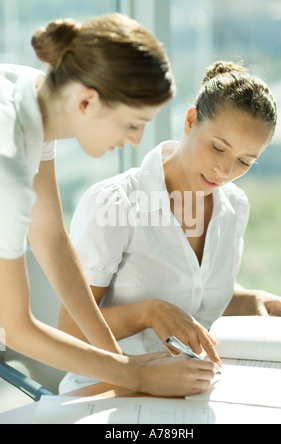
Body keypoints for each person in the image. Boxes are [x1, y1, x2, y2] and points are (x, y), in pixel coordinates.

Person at [0, 13, 218, 398]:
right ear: (87, 101)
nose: (136, 141)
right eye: (132, 124)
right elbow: (16, 327)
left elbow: (50, 236)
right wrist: (135, 376)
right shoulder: (8, 152)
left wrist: (120, 364)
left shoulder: (35, 101)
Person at [58, 60, 281, 393]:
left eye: (245, 161)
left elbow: (195, 292)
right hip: (107, 391)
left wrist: (250, 299)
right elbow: (69, 328)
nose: (224, 171)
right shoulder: (116, 203)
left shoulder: (233, 207)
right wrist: (149, 313)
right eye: (218, 147)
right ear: (190, 121)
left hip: (191, 388)